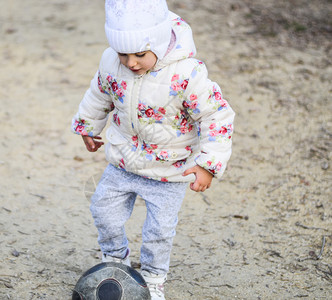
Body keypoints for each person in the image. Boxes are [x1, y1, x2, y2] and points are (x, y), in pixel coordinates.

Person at [71, 0, 235, 298]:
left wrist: (208, 164)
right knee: (103, 209)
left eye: (140, 54)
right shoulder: (111, 62)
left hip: (169, 169)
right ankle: (115, 260)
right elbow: (99, 94)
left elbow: (216, 116)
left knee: (159, 231)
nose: (131, 63)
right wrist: (89, 127)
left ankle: (152, 277)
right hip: (123, 161)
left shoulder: (188, 73)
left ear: (158, 43)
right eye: (123, 54)